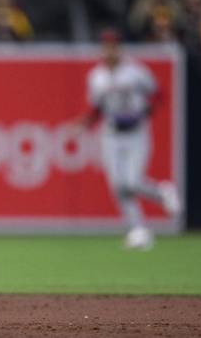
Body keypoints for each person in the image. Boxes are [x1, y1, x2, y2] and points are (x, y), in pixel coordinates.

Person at [77, 30, 181, 250]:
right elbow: (98, 108)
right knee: (118, 186)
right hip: (111, 134)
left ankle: (162, 192)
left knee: (132, 182)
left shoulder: (135, 71)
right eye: (105, 46)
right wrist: (84, 124)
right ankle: (138, 230)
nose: (109, 50)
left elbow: (158, 94)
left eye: (113, 46)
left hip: (136, 132)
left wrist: (145, 111)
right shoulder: (96, 76)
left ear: (119, 48)